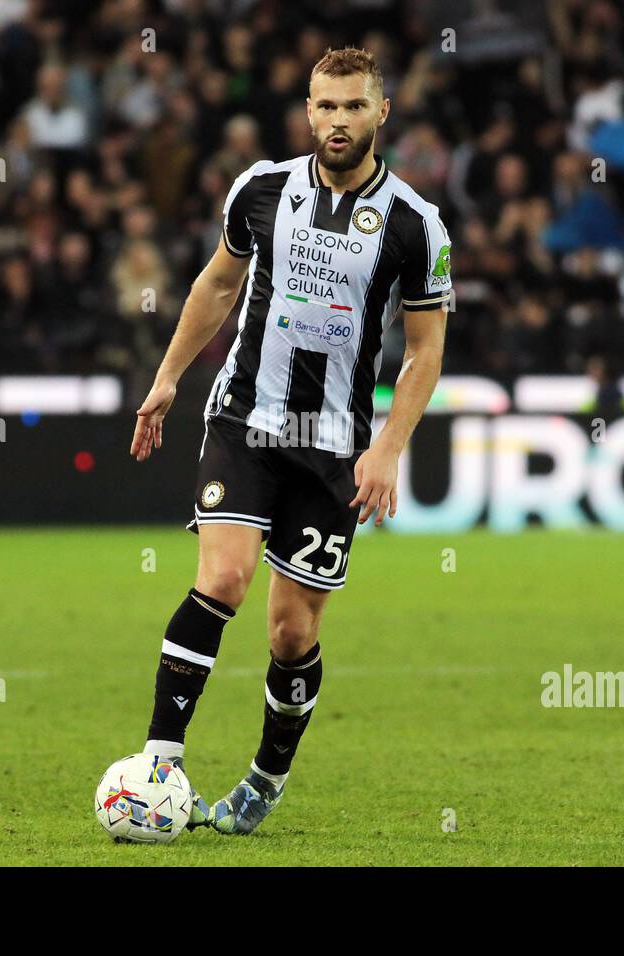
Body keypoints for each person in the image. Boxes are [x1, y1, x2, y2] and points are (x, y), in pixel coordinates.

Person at [128, 47, 451, 835]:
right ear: (307, 111)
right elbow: (216, 284)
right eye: (324, 106)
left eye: (352, 107)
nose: (336, 121)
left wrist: (388, 449)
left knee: (291, 630)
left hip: (334, 444)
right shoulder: (260, 190)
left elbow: (425, 351)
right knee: (226, 578)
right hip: (245, 418)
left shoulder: (416, 226)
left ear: (381, 115)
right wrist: (169, 375)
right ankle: (159, 764)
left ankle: (264, 780)